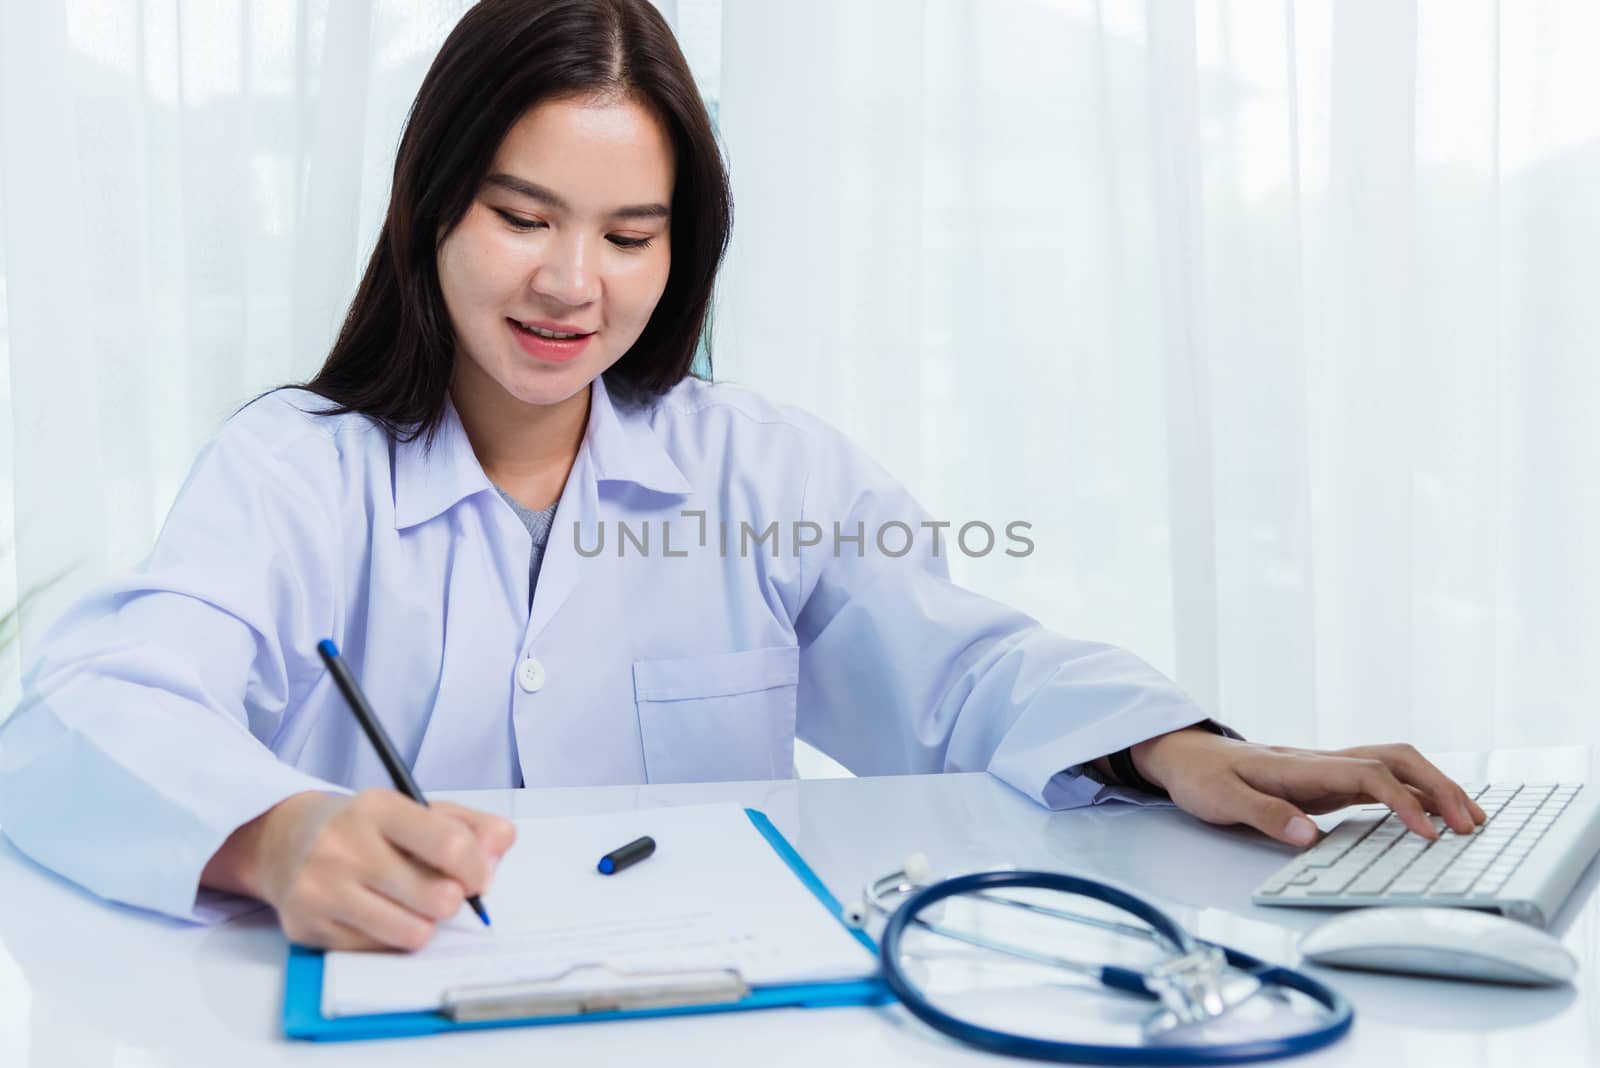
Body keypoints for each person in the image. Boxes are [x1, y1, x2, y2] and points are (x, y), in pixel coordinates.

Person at [0, 0, 1484, 953]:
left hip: (719, 1018)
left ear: (682, 248)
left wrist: (1177, 745)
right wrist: (277, 835)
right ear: (431, 212)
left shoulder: (762, 467)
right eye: (525, 215)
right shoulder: (291, 474)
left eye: (631, 235)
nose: (573, 283)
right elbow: (89, 710)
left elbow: (964, 675)